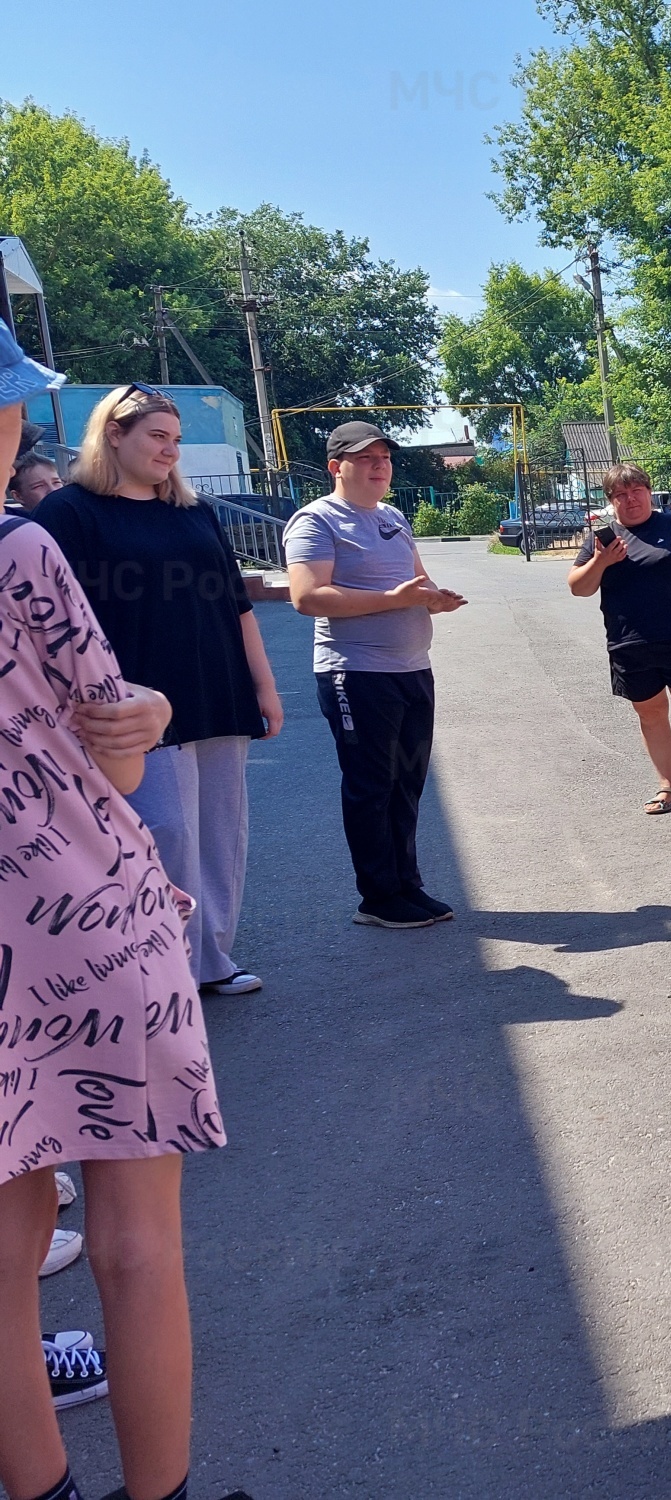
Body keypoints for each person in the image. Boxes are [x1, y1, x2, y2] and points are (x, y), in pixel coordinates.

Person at [0, 326, 242, 1500]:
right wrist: (142, 704)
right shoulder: (25, 550)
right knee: (136, 1245)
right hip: (76, 919)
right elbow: (116, 741)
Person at [34, 383, 284, 998]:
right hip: (131, 705)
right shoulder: (69, 514)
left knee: (221, 830)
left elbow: (237, 606)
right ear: (112, 434)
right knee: (164, 831)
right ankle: (158, 963)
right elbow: (45, 618)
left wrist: (265, 686)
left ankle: (211, 959)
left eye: (175, 439)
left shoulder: (195, 512)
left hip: (216, 686)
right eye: (157, 436)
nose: (171, 451)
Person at [284, 422, 465, 930]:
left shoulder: (391, 517)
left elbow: (416, 579)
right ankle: (378, 898)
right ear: (336, 466)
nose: (379, 465)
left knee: (407, 780)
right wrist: (393, 601)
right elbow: (307, 597)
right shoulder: (317, 521)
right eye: (365, 457)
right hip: (355, 674)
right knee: (371, 784)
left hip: (411, 670)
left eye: (384, 456)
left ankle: (407, 884)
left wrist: (435, 598)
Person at [567, 462, 671, 816]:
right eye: (621, 495)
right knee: (651, 717)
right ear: (611, 501)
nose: (630, 500)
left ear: (648, 492)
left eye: (636, 491)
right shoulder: (603, 538)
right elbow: (578, 588)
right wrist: (600, 562)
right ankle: (666, 788)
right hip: (629, 645)